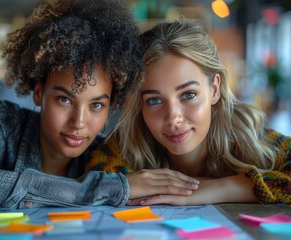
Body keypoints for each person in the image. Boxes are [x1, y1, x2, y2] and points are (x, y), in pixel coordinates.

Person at [0, 0, 146, 210]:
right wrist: (88, 190)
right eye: (64, 99)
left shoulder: (105, 160)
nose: (79, 123)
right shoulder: (4, 122)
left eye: (96, 105)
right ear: (39, 93)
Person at [87, 19, 291, 205]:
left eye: (189, 94)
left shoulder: (252, 139)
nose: (173, 118)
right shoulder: (128, 145)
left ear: (214, 89)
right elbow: (97, 178)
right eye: (155, 100)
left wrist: (224, 188)